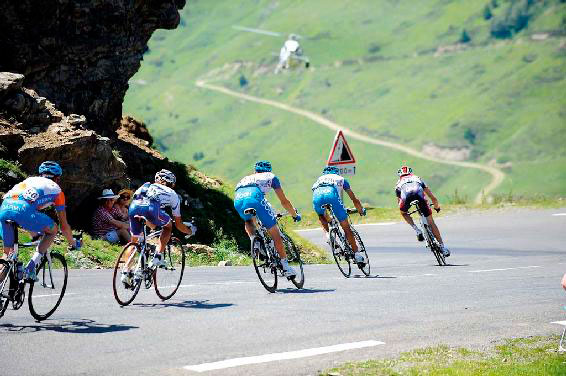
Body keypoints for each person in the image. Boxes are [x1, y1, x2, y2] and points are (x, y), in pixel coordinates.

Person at [0, 161, 80, 281]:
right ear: (57, 178)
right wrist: (73, 243)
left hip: (5, 207)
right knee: (53, 230)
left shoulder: (30, 180)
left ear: (41, 174)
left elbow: (24, 209)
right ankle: (30, 269)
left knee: (7, 254)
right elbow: (64, 226)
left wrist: (34, 235)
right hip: (24, 211)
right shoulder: (57, 191)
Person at [233, 160, 301, 278]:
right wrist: (294, 214)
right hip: (255, 198)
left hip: (238, 199)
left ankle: (254, 241)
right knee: (274, 233)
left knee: (249, 220)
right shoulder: (271, 177)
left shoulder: (246, 178)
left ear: (255, 171)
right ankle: (285, 267)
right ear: (269, 170)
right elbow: (284, 201)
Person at [127, 169, 195, 272]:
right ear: (171, 183)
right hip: (151, 208)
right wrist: (190, 231)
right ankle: (157, 256)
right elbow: (178, 224)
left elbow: (137, 200)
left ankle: (126, 271)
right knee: (168, 226)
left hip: (134, 207)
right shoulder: (172, 194)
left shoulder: (145, 185)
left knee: (134, 242)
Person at [312, 166, 367, 264]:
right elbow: (354, 199)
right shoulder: (341, 179)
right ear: (337, 173)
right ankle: (357, 255)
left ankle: (328, 236)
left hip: (317, 195)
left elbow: (318, 194)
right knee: (346, 227)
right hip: (332, 194)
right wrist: (361, 210)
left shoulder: (319, 180)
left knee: (322, 217)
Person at [395, 165, 450, 257]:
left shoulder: (398, 183)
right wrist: (436, 206)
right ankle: (442, 247)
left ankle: (417, 230)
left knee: (403, 212)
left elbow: (399, 202)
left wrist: (404, 210)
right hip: (419, 197)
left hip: (407, 198)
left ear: (400, 175)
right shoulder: (417, 178)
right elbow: (432, 197)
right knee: (431, 222)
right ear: (410, 172)